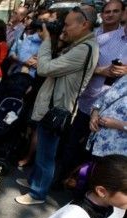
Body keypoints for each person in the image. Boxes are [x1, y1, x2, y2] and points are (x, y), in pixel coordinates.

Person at [15, 6, 99, 205]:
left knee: (46, 154)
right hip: (54, 105)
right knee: (43, 148)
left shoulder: (83, 49)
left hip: (58, 108)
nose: (64, 28)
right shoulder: (79, 44)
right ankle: (35, 182)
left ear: (84, 24)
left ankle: (38, 193)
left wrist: (45, 41)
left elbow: (44, 68)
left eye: (68, 25)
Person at [59, 0, 127, 182]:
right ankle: (63, 181)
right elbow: (82, 65)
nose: (111, 15)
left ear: (122, 14)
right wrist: (101, 70)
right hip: (90, 101)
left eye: (116, 11)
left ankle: (83, 187)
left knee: (100, 160)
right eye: (107, 11)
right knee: (73, 145)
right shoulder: (101, 37)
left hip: (116, 118)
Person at [88, 74, 126, 157]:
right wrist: (94, 115)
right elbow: (101, 99)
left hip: (116, 155)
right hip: (96, 142)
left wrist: (117, 124)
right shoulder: (124, 78)